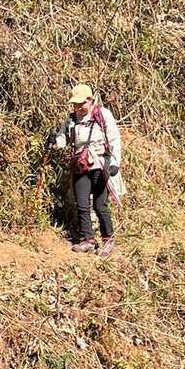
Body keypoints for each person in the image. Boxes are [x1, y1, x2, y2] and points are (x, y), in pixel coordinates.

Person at [49, 83, 122, 257]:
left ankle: (108, 239)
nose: (78, 107)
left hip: (99, 164)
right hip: (80, 165)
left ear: (90, 100)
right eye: (75, 104)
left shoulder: (102, 115)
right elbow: (63, 140)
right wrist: (54, 141)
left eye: (81, 103)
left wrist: (115, 162)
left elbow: (114, 138)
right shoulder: (71, 120)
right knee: (82, 204)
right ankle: (88, 240)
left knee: (100, 205)